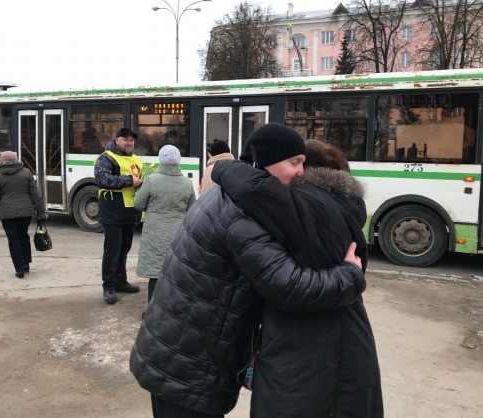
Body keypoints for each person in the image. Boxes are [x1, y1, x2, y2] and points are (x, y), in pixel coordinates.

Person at [130, 122, 367, 418]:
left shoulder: (229, 193)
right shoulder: (243, 216)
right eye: (294, 162)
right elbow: (291, 288)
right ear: (266, 163)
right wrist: (349, 273)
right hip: (187, 364)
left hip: (178, 348)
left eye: (303, 163)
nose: (300, 172)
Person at [212, 133, 383, 417]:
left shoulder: (310, 207)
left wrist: (221, 166)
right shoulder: (338, 207)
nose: (297, 171)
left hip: (306, 356)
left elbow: (253, 190)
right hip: (344, 347)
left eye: (299, 163)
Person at [134, 145, 195, 305]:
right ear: (178, 160)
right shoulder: (187, 183)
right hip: (178, 233)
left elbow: (138, 204)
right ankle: (172, 310)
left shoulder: (151, 180)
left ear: (160, 159)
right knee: (175, 272)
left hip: (154, 233)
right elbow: (192, 209)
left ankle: (152, 310)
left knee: (155, 273)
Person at [95, 127, 143, 304]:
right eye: (126, 139)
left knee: (124, 249)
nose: (129, 143)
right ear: (116, 140)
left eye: (131, 140)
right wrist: (129, 180)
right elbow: (102, 179)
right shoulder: (106, 158)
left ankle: (121, 281)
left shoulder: (136, 159)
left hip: (130, 212)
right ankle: (108, 286)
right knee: (112, 251)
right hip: (112, 212)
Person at [0, 151, 46, 279]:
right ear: (16, 160)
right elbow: (35, 195)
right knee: (24, 236)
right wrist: (41, 213)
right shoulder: (26, 173)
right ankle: (26, 264)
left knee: (13, 240)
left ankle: (19, 269)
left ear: (2, 161)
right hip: (25, 213)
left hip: (7, 215)